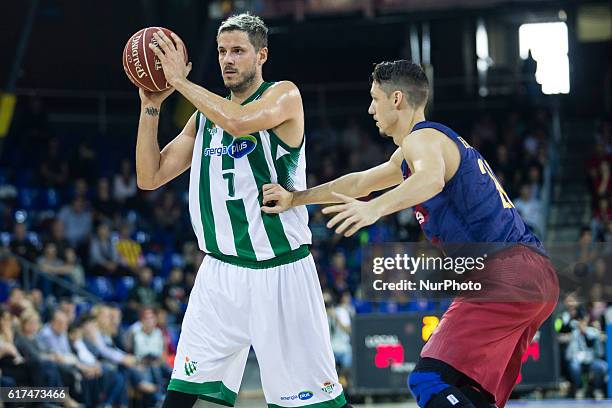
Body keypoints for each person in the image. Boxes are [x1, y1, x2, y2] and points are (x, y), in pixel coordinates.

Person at [262, 60, 559, 408]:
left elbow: (429, 179)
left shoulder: (423, 139)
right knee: (470, 391)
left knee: (427, 379)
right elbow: (358, 183)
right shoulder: (412, 152)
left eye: (375, 99)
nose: (371, 108)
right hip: (531, 275)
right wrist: (296, 198)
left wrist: (374, 209)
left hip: (506, 271)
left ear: (397, 99)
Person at [138, 12, 345, 408]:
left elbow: (240, 122)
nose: (227, 60)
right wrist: (150, 106)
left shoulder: (284, 95)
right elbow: (150, 176)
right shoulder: (204, 120)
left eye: (237, 51)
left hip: (280, 271)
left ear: (261, 55)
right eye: (221, 52)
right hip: (219, 275)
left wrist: (179, 80)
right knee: (181, 396)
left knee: (314, 403)